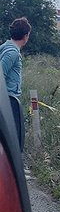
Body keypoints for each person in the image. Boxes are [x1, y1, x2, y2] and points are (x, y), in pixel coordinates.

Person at [1, 17, 32, 152]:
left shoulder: (5, 47)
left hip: (7, 100)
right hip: (8, 101)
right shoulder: (12, 53)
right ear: (25, 36)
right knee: (13, 142)